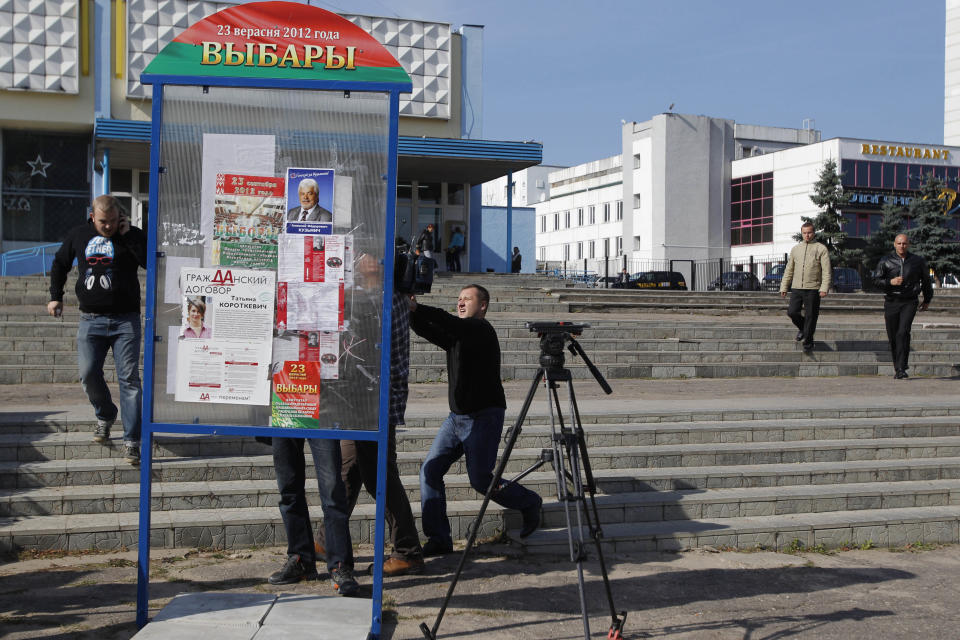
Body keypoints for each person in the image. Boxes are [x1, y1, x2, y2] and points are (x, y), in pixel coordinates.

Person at [409, 284, 542, 556]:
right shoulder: (458, 335)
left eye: (466, 299)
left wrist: (418, 308)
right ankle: (439, 539)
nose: (460, 303)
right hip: (456, 418)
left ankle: (529, 502)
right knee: (430, 471)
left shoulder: (481, 330)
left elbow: (446, 322)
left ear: (482, 306)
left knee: (481, 480)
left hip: (484, 416)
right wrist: (410, 313)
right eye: (458, 299)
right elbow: (429, 330)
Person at [315, 255, 425, 577]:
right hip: (363, 400)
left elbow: (360, 341)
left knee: (380, 474)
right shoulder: (390, 297)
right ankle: (325, 539)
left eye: (362, 259)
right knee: (351, 467)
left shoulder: (383, 299)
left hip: (373, 402)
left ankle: (407, 551)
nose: (355, 263)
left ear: (377, 266)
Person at [48, 195, 146, 465]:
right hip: (90, 319)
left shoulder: (131, 235)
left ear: (120, 218)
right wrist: (55, 295)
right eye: (103, 222)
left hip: (126, 320)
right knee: (88, 373)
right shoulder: (79, 235)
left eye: (113, 221)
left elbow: (150, 262)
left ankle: (131, 440)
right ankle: (105, 414)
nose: (108, 226)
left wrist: (129, 237)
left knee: (129, 379)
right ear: (93, 216)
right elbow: (60, 263)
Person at [873, 234, 933, 379]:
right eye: (899, 243)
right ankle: (898, 366)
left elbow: (925, 281)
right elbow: (875, 281)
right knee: (893, 335)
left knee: (903, 332)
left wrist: (927, 299)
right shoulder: (886, 261)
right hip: (892, 301)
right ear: (894, 244)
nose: (902, 246)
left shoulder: (917, 261)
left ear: (909, 244)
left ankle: (901, 367)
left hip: (909, 301)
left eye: (904, 243)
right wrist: (890, 282)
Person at [780, 222, 831, 353]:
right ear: (801, 233)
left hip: (813, 288)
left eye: (809, 232)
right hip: (797, 287)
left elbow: (826, 271)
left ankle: (808, 343)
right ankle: (804, 329)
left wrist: (824, 287)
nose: (807, 235)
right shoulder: (796, 249)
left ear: (813, 233)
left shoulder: (821, 249)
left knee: (811, 316)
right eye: (804, 233)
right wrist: (784, 286)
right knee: (792, 312)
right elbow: (789, 269)